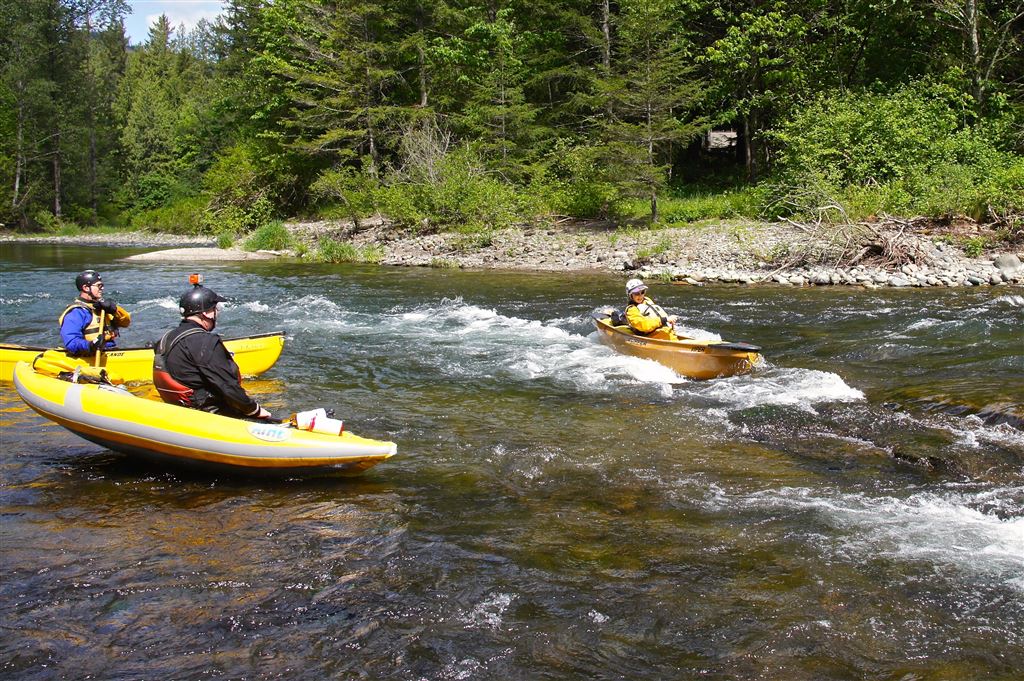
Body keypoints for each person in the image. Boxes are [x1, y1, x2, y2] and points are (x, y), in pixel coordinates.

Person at [152, 280, 272, 420]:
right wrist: (254, 410)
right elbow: (227, 386)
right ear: (206, 313)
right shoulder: (206, 342)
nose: (217, 313)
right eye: (215, 309)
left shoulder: (165, 338)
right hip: (207, 414)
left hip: (180, 410)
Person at [58, 270, 132, 356]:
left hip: (110, 351)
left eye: (102, 285)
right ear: (86, 288)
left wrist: (115, 310)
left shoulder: (102, 307)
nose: (102, 288)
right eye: (99, 286)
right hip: (91, 354)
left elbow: (126, 323)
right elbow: (71, 342)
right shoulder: (77, 312)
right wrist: (91, 345)